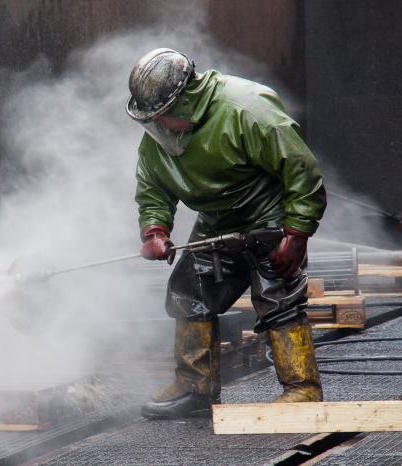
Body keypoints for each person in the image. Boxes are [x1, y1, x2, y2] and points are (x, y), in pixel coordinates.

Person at [126, 48, 327, 420]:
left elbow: (302, 171)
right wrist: (155, 228)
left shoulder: (247, 111)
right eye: (152, 119)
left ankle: (302, 390)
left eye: (163, 117)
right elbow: (152, 186)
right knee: (189, 290)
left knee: (277, 297)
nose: (159, 126)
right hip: (217, 223)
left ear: (187, 98)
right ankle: (194, 386)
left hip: (269, 218)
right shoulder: (160, 135)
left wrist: (296, 233)